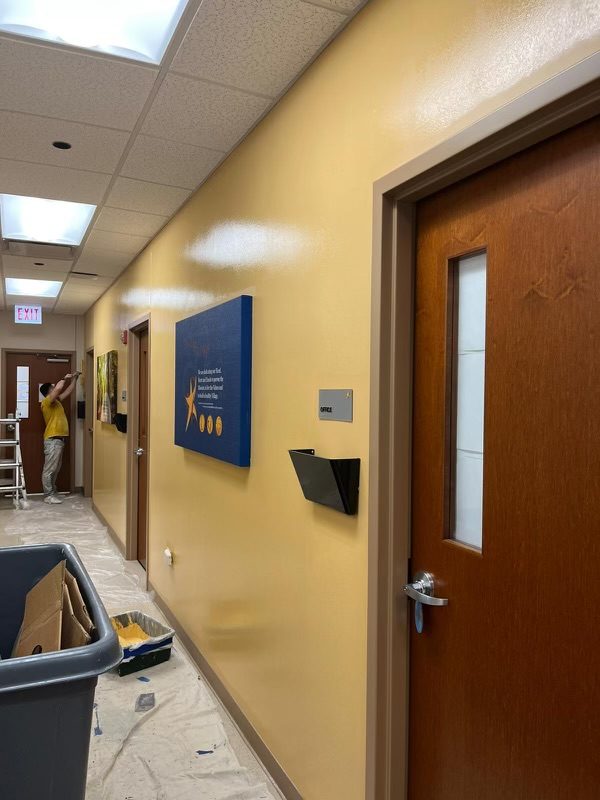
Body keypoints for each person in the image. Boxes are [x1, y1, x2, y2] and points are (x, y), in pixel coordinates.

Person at [39, 372, 79, 504]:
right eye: (52, 387)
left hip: (59, 440)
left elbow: (67, 391)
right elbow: (59, 388)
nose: (55, 387)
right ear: (48, 392)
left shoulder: (56, 402)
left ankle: (53, 492)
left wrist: (75, 379)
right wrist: (64, 378)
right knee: (49, 469)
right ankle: (48, 495)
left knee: (55, 468)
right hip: (52, 440)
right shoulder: (46, 402)